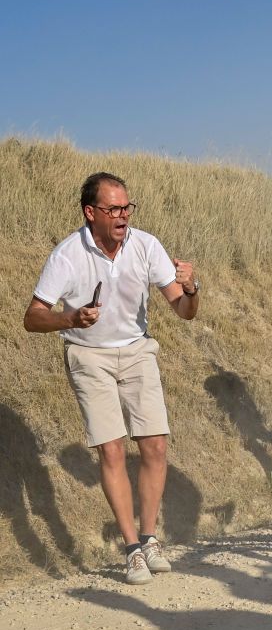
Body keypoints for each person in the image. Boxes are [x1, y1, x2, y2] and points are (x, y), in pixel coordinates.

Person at [23, 172, 199, 585]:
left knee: (155, 445)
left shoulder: (145, 244)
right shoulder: (67, 255)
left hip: (138, 350)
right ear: (91, 212)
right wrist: (70, 317)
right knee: (112, 451)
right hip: (88, 354)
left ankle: (151, 537)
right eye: (114, 209)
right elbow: (32, 317)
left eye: (127, 207)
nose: (123, 216)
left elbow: (185, 311)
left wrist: (192, 289)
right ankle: (132, 548)